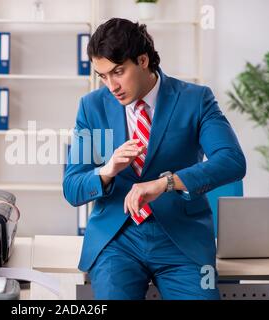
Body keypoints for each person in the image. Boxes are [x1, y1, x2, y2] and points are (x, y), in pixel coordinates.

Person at [62, 18, 246, 300]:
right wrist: (107, 170)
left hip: (182, 239)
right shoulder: (92, 107)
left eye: (118, 72)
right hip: (117, 239)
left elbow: (232, 160)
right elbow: (72, 188)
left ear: (143, 60)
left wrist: (167, 183)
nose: (111, 85)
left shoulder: (195, 99)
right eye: (102, 76)